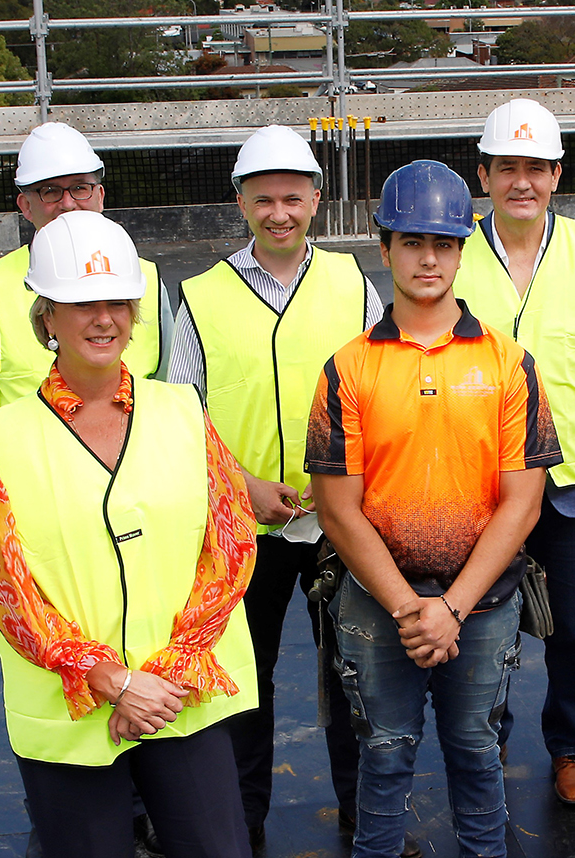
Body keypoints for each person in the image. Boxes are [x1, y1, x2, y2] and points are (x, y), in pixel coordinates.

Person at [0, 210, 258, 858]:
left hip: (181, 696)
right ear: (47, 317)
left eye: (117, 302)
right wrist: (111, 679)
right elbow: (11, 592)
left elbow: (231, 547)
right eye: (81, 303)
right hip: (72, 714)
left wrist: (165, 676)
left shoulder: (183, 411)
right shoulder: (3, 440)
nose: (104, 319)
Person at [309, 160, 560, 858]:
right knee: (382, 763)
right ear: (383, 247)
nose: (428, 258)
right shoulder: (349, 368)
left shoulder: (509, 364)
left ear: (462, 249)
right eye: (412, 241)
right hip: (376, 605)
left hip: (479, 605)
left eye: (443, 243)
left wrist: (450, 608)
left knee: (479, 757)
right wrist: (409, 608)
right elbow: (339, 510)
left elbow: (523, 502)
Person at [170, 125, 382, 850]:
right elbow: (182, 419)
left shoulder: (353, 287)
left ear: (316, 200)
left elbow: (382, 405)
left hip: (338, 529)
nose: (280, 212)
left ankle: (368, 820)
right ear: (240, 203)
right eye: (264, 199)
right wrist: (240, 485)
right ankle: (241, 828)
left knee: (355, 681)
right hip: (243, 530)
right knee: (241, 689)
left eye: (293, 198)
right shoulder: (198, 299)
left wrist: (345, 488)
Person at [453, 98, 575, 805]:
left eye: (535, 168)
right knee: (480, 622)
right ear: (484, 175)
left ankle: (571, 747)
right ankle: (485, 741)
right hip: (478, 483)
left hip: (573, 481)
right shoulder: (451, 251)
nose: (520, 181)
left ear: (557, 175)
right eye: (506, 168)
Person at [0, 121, 172, 520]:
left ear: (100, 195)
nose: (68, 203)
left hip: (140, 503)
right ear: (25, 205)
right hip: (38, 510)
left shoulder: (145, 278)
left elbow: (174, 396)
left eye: (80, 188)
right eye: (50, 191)